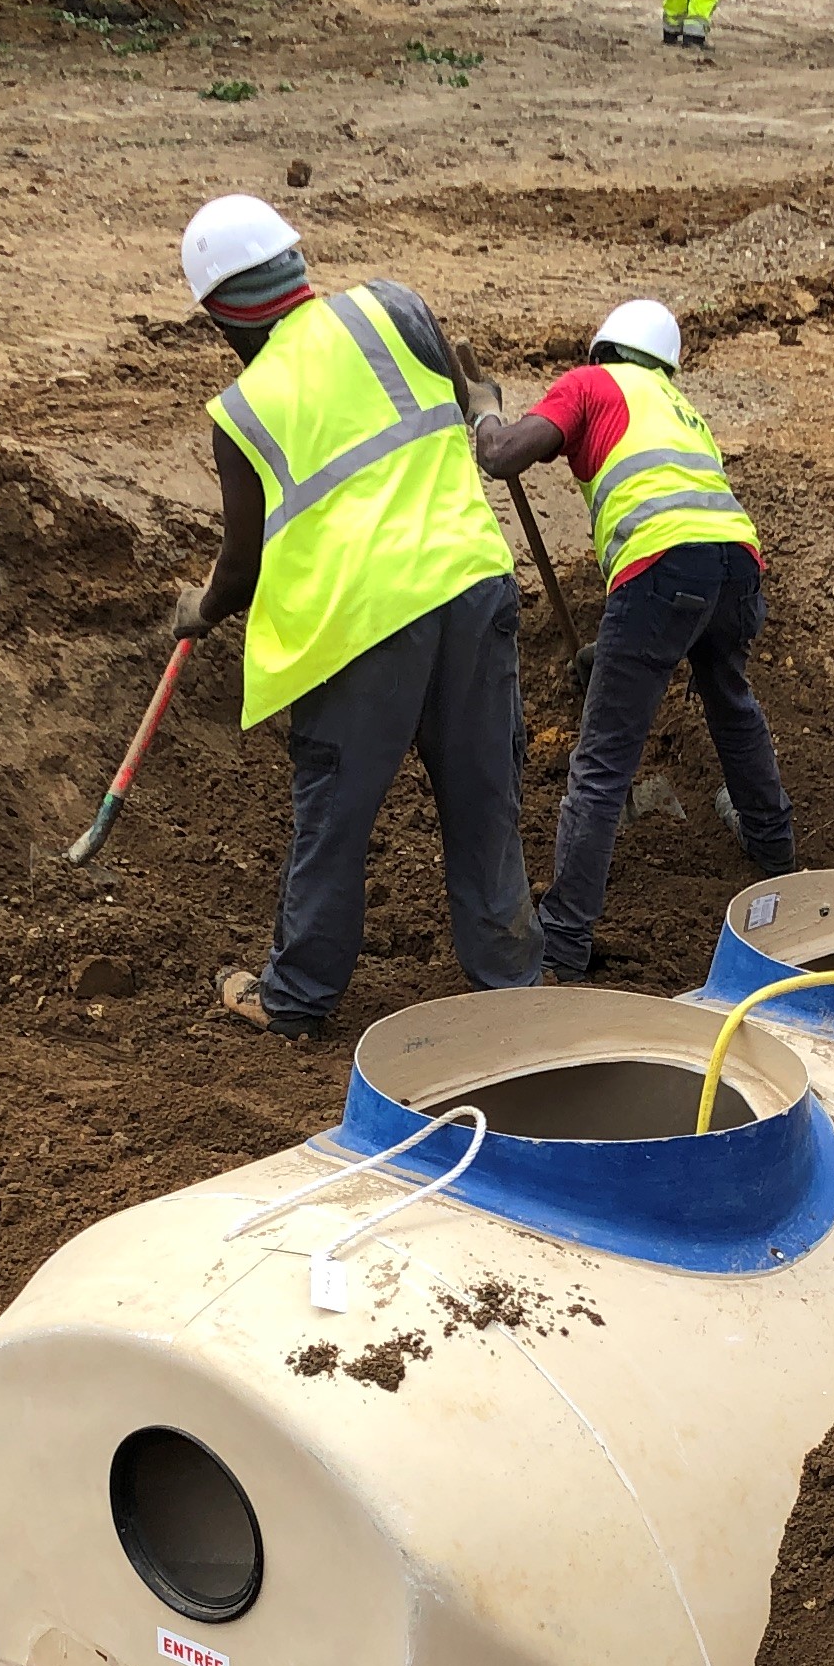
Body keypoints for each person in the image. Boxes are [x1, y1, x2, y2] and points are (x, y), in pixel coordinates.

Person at [167, 194, 540, 1040]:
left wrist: (202, 608)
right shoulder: (395, 308)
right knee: (484, 797)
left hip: (361, 629)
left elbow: (244, 564)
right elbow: (467, 395)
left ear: (223, 315)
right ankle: (515, 985)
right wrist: (482, 399)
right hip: (471, 584)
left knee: (335, 820)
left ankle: (296, 1000)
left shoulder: (244, 410)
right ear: (296, 264)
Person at [472, 299, 793, 981]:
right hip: (736, 565)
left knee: (603, 760)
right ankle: (774, 847)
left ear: (603, 350)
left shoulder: (592, 383)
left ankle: (561, 943)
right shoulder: (680, 408)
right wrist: (611, 651)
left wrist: (483, 410)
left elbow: (502, 457)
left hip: (661, 569)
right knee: (729, 698)